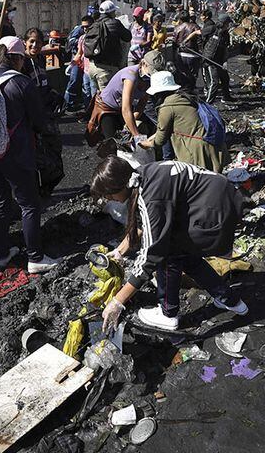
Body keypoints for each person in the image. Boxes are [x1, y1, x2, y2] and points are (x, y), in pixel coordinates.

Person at [94, 157, 249, 332]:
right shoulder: (142, 175)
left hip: (214, 216)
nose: (110, 199)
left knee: (168, 253)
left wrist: (118, 301)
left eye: (109, 195)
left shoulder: (150, 195)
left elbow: (150, 254)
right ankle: (230, 300)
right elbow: (146, 224)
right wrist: (120, 251)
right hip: (223, 200)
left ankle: (168, 314)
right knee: (187, 255)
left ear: (120, 186)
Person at [0, 36, 59, 273]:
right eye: (22, 58)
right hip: (15, 153)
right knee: (29, 204)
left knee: (0, 202)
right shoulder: (20, 82)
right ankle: (35, 257)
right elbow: (39, 121)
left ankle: (2, 253)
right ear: (16, 58)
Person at [137, 71, 226, 172]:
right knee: (212, 180)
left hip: (196, 150)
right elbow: (164, 130)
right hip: (210, 143)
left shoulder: (167, 107)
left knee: (198, 181)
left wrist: (145, 144)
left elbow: (160, 139)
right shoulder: (186, 97)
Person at [90, 50, 165, 141]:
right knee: (112, 144)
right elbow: (126, 109)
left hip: (121, 108)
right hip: (107, 109)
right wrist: (137, 136)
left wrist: (130, 124)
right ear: (143, 63)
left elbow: (142, 104)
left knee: (128, 138)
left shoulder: (149, 78)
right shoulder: (130, 76)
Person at [86, 0, 132, 92]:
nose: (115, 14)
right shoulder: (115, 23)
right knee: (106, 101)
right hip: (106, 69)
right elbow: (128, 37)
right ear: (111, 12)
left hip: (92, 67)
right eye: (114, 12)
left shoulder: (95, 23)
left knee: (95, 97)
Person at [201, 13, 234, 103]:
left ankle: (226, 96)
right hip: (210, 60)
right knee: (214, 82)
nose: (229, 25)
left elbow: (226, 49)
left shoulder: (225, 34)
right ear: (224, 23)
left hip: (219, 60)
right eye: (228, 23)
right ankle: (208, 103)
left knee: (225, 78)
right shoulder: (212, 29)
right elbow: (199, 32)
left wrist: (225, 61)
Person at [64, 16, 93, 113]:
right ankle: (87, 113)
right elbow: (79, 53)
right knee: (86, 93)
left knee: (94, 93)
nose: (85, 29)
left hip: (94, 71)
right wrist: (72, 64)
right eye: (83, 27)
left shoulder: (96, 38)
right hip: (86, 70)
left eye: (87, 26)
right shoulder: (81, 38)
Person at [172, 11, 201, 91]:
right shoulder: (195, 27)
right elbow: (200, 41)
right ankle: (191, 92)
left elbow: (174, 43)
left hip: (181, 55)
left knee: (183, 76)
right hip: (193, 55)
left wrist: (174, 56)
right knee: (192, 77)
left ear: (180, 19)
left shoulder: (177, 28)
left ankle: (185, 93)